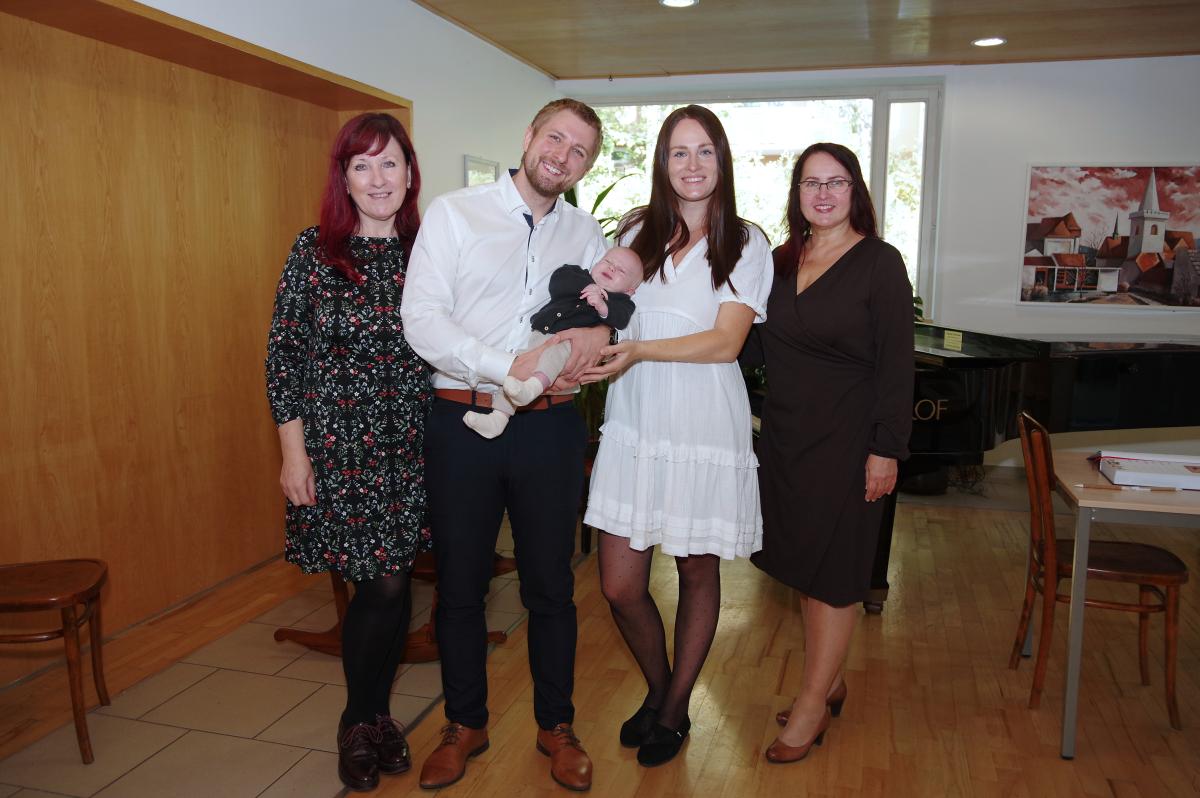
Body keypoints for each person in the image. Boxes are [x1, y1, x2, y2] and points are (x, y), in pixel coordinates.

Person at [399, 98, 610, 792]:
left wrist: (595, 340)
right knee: (461, 585)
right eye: (556, 138)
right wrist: (502, 367)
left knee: (551, 585)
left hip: (550, 427)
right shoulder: (455, 215)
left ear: (587, 166)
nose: (562, 156)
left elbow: (608, 319)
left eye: (579, 151)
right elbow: (421, 319)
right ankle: (465, 723)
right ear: (529, 137)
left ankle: (557, 725)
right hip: (462, 422)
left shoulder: (587, 234)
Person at [581, 105, 772, 767]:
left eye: (704, 151)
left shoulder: (746, 242)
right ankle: (663, 690)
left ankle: (673, 707)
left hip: (702, 422)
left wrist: (638, 351)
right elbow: (612, 313)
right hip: (636, 422)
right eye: (678, 152)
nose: (692, 165)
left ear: (723, 161)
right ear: (662, 163)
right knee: (619, 586)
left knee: (696, 569)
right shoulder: (636, 230)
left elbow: (725, 343)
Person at [265, 112, 430, 792]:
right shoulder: (315, 250)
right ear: (345, 178)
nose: (378, 178)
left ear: (410, 174)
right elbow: (283, 358)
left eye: (390, 163)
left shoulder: (428, 252)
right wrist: (293, 454)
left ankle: (376, 716)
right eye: (363, 165)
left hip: (414, 450)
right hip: (339, 451)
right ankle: (359, 720)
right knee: (381, 585)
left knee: (395, 585)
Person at [744, 143, 913, 764]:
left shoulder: (879, 263)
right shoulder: (781, 261)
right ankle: (831, 679)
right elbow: (750, 346)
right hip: (787, 441)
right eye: (811, 183)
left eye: (835, 182)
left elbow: (897, 365)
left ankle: (812, 704)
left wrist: (886, 449)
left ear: (854, 191)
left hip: (850, 444)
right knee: (804, 568)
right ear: (797, 193)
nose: (822, 194)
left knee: (834, 576)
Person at [463, 246, 643, 438]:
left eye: (621, 270)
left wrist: (603, 307)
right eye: (608, 262)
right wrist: (588, 286)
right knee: (517, 367)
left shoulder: (621, 303)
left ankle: (533, 387)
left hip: (570, 345)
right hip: (541, 335)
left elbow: (622, 319)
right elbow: (559, 280)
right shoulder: (577, 275)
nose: (612, 268)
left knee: (552, 357)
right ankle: (498, 418)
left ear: (629, 291)